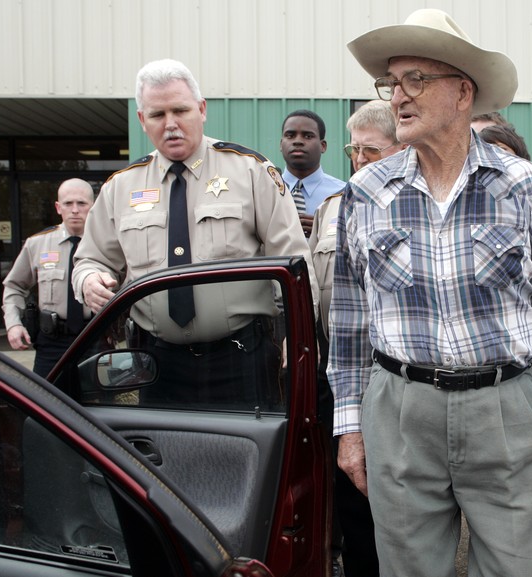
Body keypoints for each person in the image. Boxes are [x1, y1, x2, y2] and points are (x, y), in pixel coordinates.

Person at [329, 10, 532, 577]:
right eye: (392, 83)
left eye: (416, 80)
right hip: (397, 408)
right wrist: (348, 424)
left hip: (505, 407)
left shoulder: (524, 188)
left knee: (519, 568)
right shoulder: (366, 193)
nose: (398, 97)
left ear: (463, 92)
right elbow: (347, 323)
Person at [73, 58, 318, 407]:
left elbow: (297, 264)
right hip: (157, 365)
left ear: (201, 110)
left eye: (180, 110)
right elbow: (91, 259)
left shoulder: (250, 171)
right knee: (161, 460)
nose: (171, 124)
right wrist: (88, 280)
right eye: (157, 115)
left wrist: (300, 338)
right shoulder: (120, 188)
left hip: (241, 358)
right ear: (142, 121)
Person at [310, 99, 402, 577]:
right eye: (354, 150)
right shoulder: (331, 209)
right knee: (351, 492)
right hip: (342, 374)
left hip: (395, 377)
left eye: (373, 150)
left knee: (400, 503)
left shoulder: (416, 204)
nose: (361, 160)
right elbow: (311, 286)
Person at [2, 178, 95, 377]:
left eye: (82, 203)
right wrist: (14, 324)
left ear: (93, 206)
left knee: (98, 403)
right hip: (52, 343)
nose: (75, 210)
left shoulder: (107, 243)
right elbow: (14, 286)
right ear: (58, 207)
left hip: (96, 338)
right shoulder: (37, 244)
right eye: (68, 203)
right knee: (47, 401)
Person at [280, 109, 346, 237]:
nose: (297, 141)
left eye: (308, 136)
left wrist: (324, 231)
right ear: (280, 144)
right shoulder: (265, 192)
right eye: (290, 135)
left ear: (323, 146)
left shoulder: (343, 194)